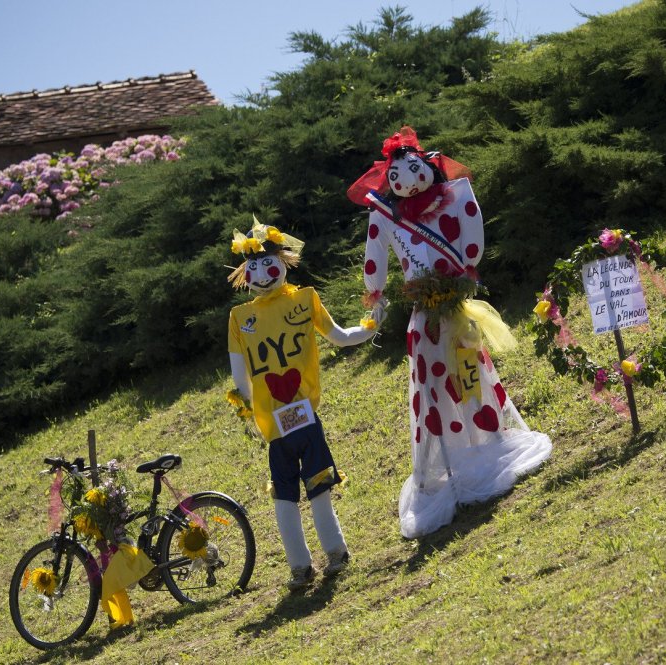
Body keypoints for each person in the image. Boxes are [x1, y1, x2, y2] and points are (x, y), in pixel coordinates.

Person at [348, 126, 552, 539]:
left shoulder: (455, 196)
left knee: (472, 376)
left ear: (427, 163)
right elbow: (375, 261)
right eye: (397, 173)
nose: (407, 176)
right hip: (425, 316)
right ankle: (444, 469)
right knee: (433, 394)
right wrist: (376, 298)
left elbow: (472, 246)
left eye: (414, 166)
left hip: (456, 308)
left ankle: (490, 446)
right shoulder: (385, 216)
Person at [226, 218, 385, 589]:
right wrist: (372, 327)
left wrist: (256, 408)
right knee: (309, 487)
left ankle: (308, 564)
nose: (263, 273)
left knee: (289, 493)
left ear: (282, 263)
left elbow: (240, 380)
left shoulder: (292, 302)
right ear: (244, 272)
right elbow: (342, 337)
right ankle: (328, 555)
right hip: (292, 420)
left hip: (278, 422)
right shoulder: (244, 316)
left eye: (268, 265)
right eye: (255, 268)